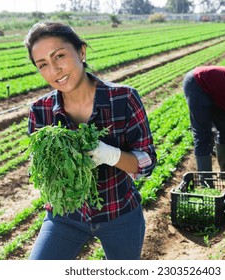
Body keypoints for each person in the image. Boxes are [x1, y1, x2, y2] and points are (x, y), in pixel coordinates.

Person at [24, 22, 156, 260]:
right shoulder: (40, 110)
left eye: (60, 56)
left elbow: (147, 164)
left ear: (81, 52)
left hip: (120, 214)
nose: (54, 70)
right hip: (66, 216)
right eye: (43, 65)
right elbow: (40, 171)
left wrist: (110, 155)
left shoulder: (123, 98)